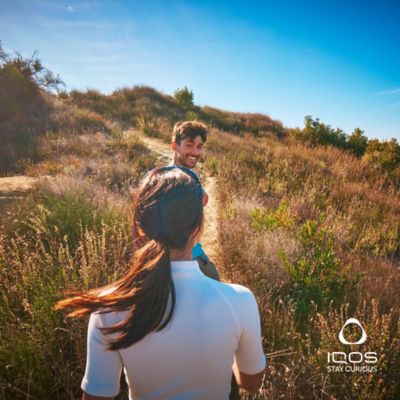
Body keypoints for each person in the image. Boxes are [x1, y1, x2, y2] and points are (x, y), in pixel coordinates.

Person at [56, 166, 266, 400]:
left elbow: (97, 396)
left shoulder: (109, 308)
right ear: (198, 230)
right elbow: (251, 382)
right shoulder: (240, 300)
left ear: (139, 227)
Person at [170, 120, 220, 281]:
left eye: (199, 146)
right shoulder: (169, 178)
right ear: (174, 146)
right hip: (187, 258)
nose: (195, 152)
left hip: (192, 252)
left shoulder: (191, 176)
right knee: (215, 284)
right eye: (189, 145)